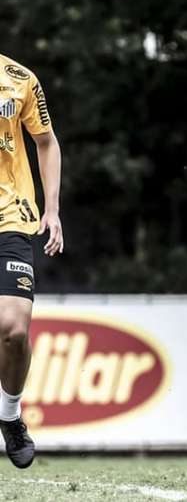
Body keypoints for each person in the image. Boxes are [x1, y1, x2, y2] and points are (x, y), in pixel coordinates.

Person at [0, 54, 64, 469]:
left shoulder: (18, 78)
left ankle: (10, 416)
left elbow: (46, 141)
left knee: (14, 330)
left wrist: (52, 209)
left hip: (11, 216)